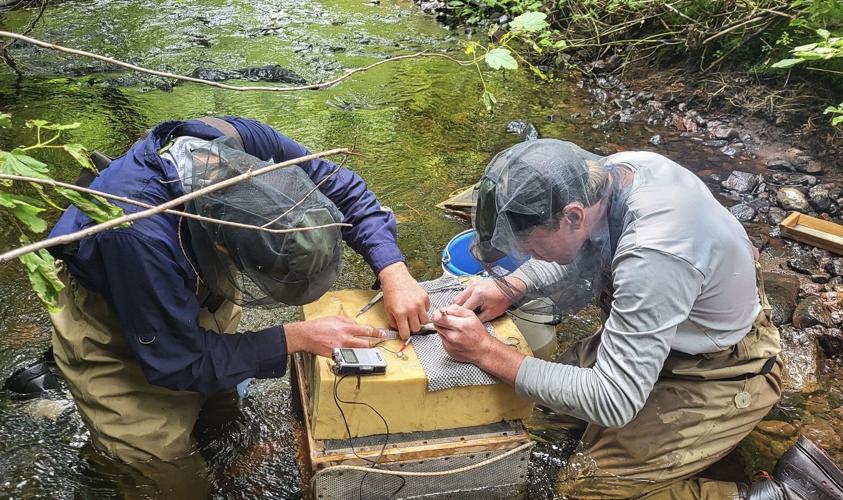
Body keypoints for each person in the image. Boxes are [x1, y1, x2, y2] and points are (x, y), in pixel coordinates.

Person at [431, 139, 843, 499]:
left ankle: (789, 493)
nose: (530, 259)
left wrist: (488, 352)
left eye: (532, 249)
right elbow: (582, 250)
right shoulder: (608, 176)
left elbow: (614, 400)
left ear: (573, 215)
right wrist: (510, 288)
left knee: (585, 489)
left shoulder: (654, 253)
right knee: (534, 421)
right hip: (672, 333)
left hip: (723, 368)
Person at [46, 116, 429, 493]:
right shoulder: (135, 236)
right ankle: (108, 461)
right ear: (222, 246)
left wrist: (393, 270)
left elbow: (340, 186)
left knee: (219, 410)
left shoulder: (241, 141)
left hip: (178, 276)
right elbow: (176, 360)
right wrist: (293, 337)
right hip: (119, 307)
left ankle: (220, 454)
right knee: (164, 472)